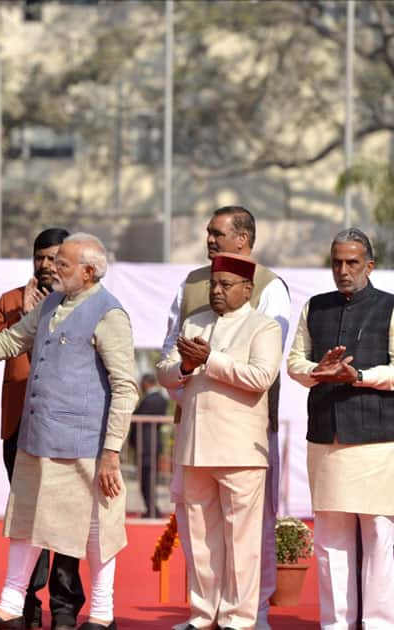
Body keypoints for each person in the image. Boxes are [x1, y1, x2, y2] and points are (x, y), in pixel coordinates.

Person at [0, 233, 137, 630]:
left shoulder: (110, 314)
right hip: (36, 437)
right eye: (54, 262)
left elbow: (125, 386)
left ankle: (103, 614)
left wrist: (111, 451)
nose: (54, 269)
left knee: (95, 527)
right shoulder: (53, 303)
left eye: (64, 264)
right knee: (24, 522)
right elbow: (11, 339)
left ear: (89, 272)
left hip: (85, 444)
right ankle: (9, 605)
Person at [160, 206, 290, 630]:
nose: (215, 291)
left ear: (247, 287)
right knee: (199, 538)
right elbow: (165, 366)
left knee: (242, 540)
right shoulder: (195, 320)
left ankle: (240, 617)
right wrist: (181, 368)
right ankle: (203, 614)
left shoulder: (263, 326)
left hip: (240, 448)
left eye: (225, 284)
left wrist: (209, 360)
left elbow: (260, 377)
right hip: (195, 443)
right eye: (213, 283)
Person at [287, 228, 394, 630]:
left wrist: (356, 375)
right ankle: (336, 624)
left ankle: (378, 624)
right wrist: (319, 372)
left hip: (377, 441)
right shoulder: (316, 307)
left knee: (379, 538)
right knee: (330, 541)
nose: (343, 270)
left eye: (352, 262)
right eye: (337, 262)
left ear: (370, 265)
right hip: (327, 439)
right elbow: (295, 364)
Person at [0, 227, 86, 629]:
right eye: (39, 257)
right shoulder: (12, 300)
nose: (45, 265)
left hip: (64, 424)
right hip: (19, 423)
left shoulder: (81, 302)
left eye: (53, 258)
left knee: (64, 517)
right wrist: (22, 316)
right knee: (27, 517)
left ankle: (64, 606)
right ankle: (25, 603)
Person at [131, 374, 167, 518]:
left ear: (146, 383)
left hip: (147, 446)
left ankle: (152, 509)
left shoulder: (154, 399)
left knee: (148, 479)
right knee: (147, 478)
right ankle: (151, 508)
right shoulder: (159, 399)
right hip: (148, 445)